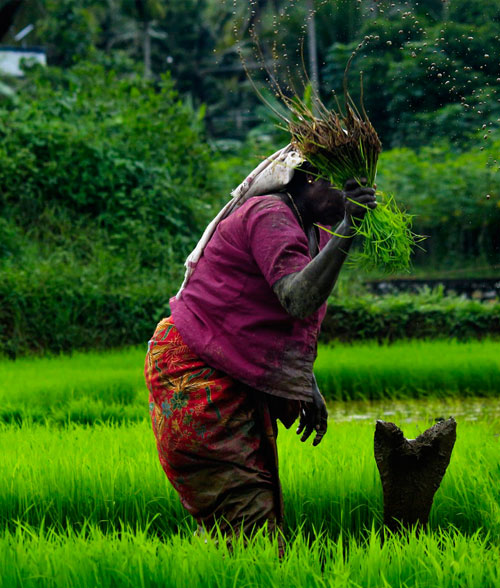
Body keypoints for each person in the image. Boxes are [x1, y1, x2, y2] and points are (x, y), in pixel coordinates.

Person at [144, 145, 376, 545]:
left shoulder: (312, 229)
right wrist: (350, 229)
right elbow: (296, 298)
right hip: (197, 374)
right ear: (312, 178)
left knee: (241, 524)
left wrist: (304, 383)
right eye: (345, 184)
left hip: (225, 368)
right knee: (249, 523)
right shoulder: (269, 215)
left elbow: (278, 322)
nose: (353, 193)